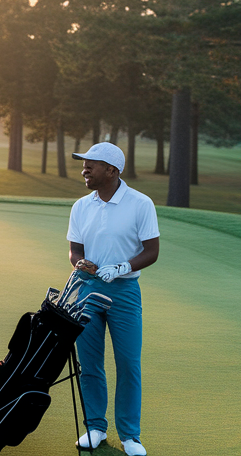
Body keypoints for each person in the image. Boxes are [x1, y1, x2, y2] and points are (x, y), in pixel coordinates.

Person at [67, 142, 159, 456]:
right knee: (89, 364)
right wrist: (80, 262)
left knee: (128, 363)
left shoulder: (140, 203)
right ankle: (95, 427)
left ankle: (130, 435)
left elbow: (151, 251)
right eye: (84, 164)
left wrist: (123, 267)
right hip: (87, 291)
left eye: (91, 164)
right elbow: (75, 250)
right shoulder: (81, 206)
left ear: (112, 170)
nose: (84, 170)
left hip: (125, 293)